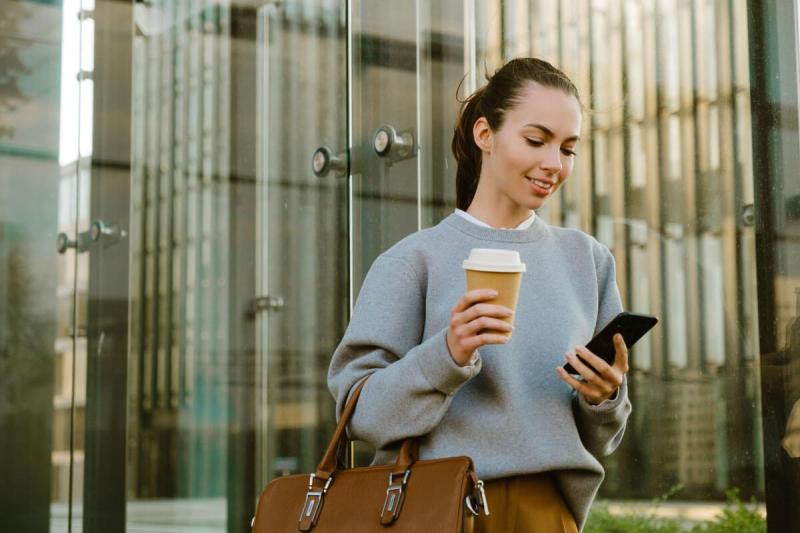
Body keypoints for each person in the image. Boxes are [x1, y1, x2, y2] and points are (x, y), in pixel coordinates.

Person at [327, 57, 631, 533]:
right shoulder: (414, 260)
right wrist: (447, 354)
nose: (553, 164)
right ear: (485, 134)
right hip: (431, 510)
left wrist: (604, 398)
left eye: (568, 149)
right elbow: (360, 418)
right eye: (536, 140)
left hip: (547, 514)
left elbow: (604, 439)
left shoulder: (587, 261)